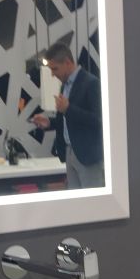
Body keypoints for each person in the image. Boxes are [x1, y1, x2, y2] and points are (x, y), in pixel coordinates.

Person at [30, 43, 104, 188]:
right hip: (69, 152)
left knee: (91, 204)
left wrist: (68, 109)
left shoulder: (91, 83)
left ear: (67, 62)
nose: (52, 74)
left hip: (87, 154)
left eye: (55, 69)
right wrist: (49, 123)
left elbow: (99, 120)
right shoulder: (65, 86)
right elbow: (67, 119)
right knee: (76, 203)